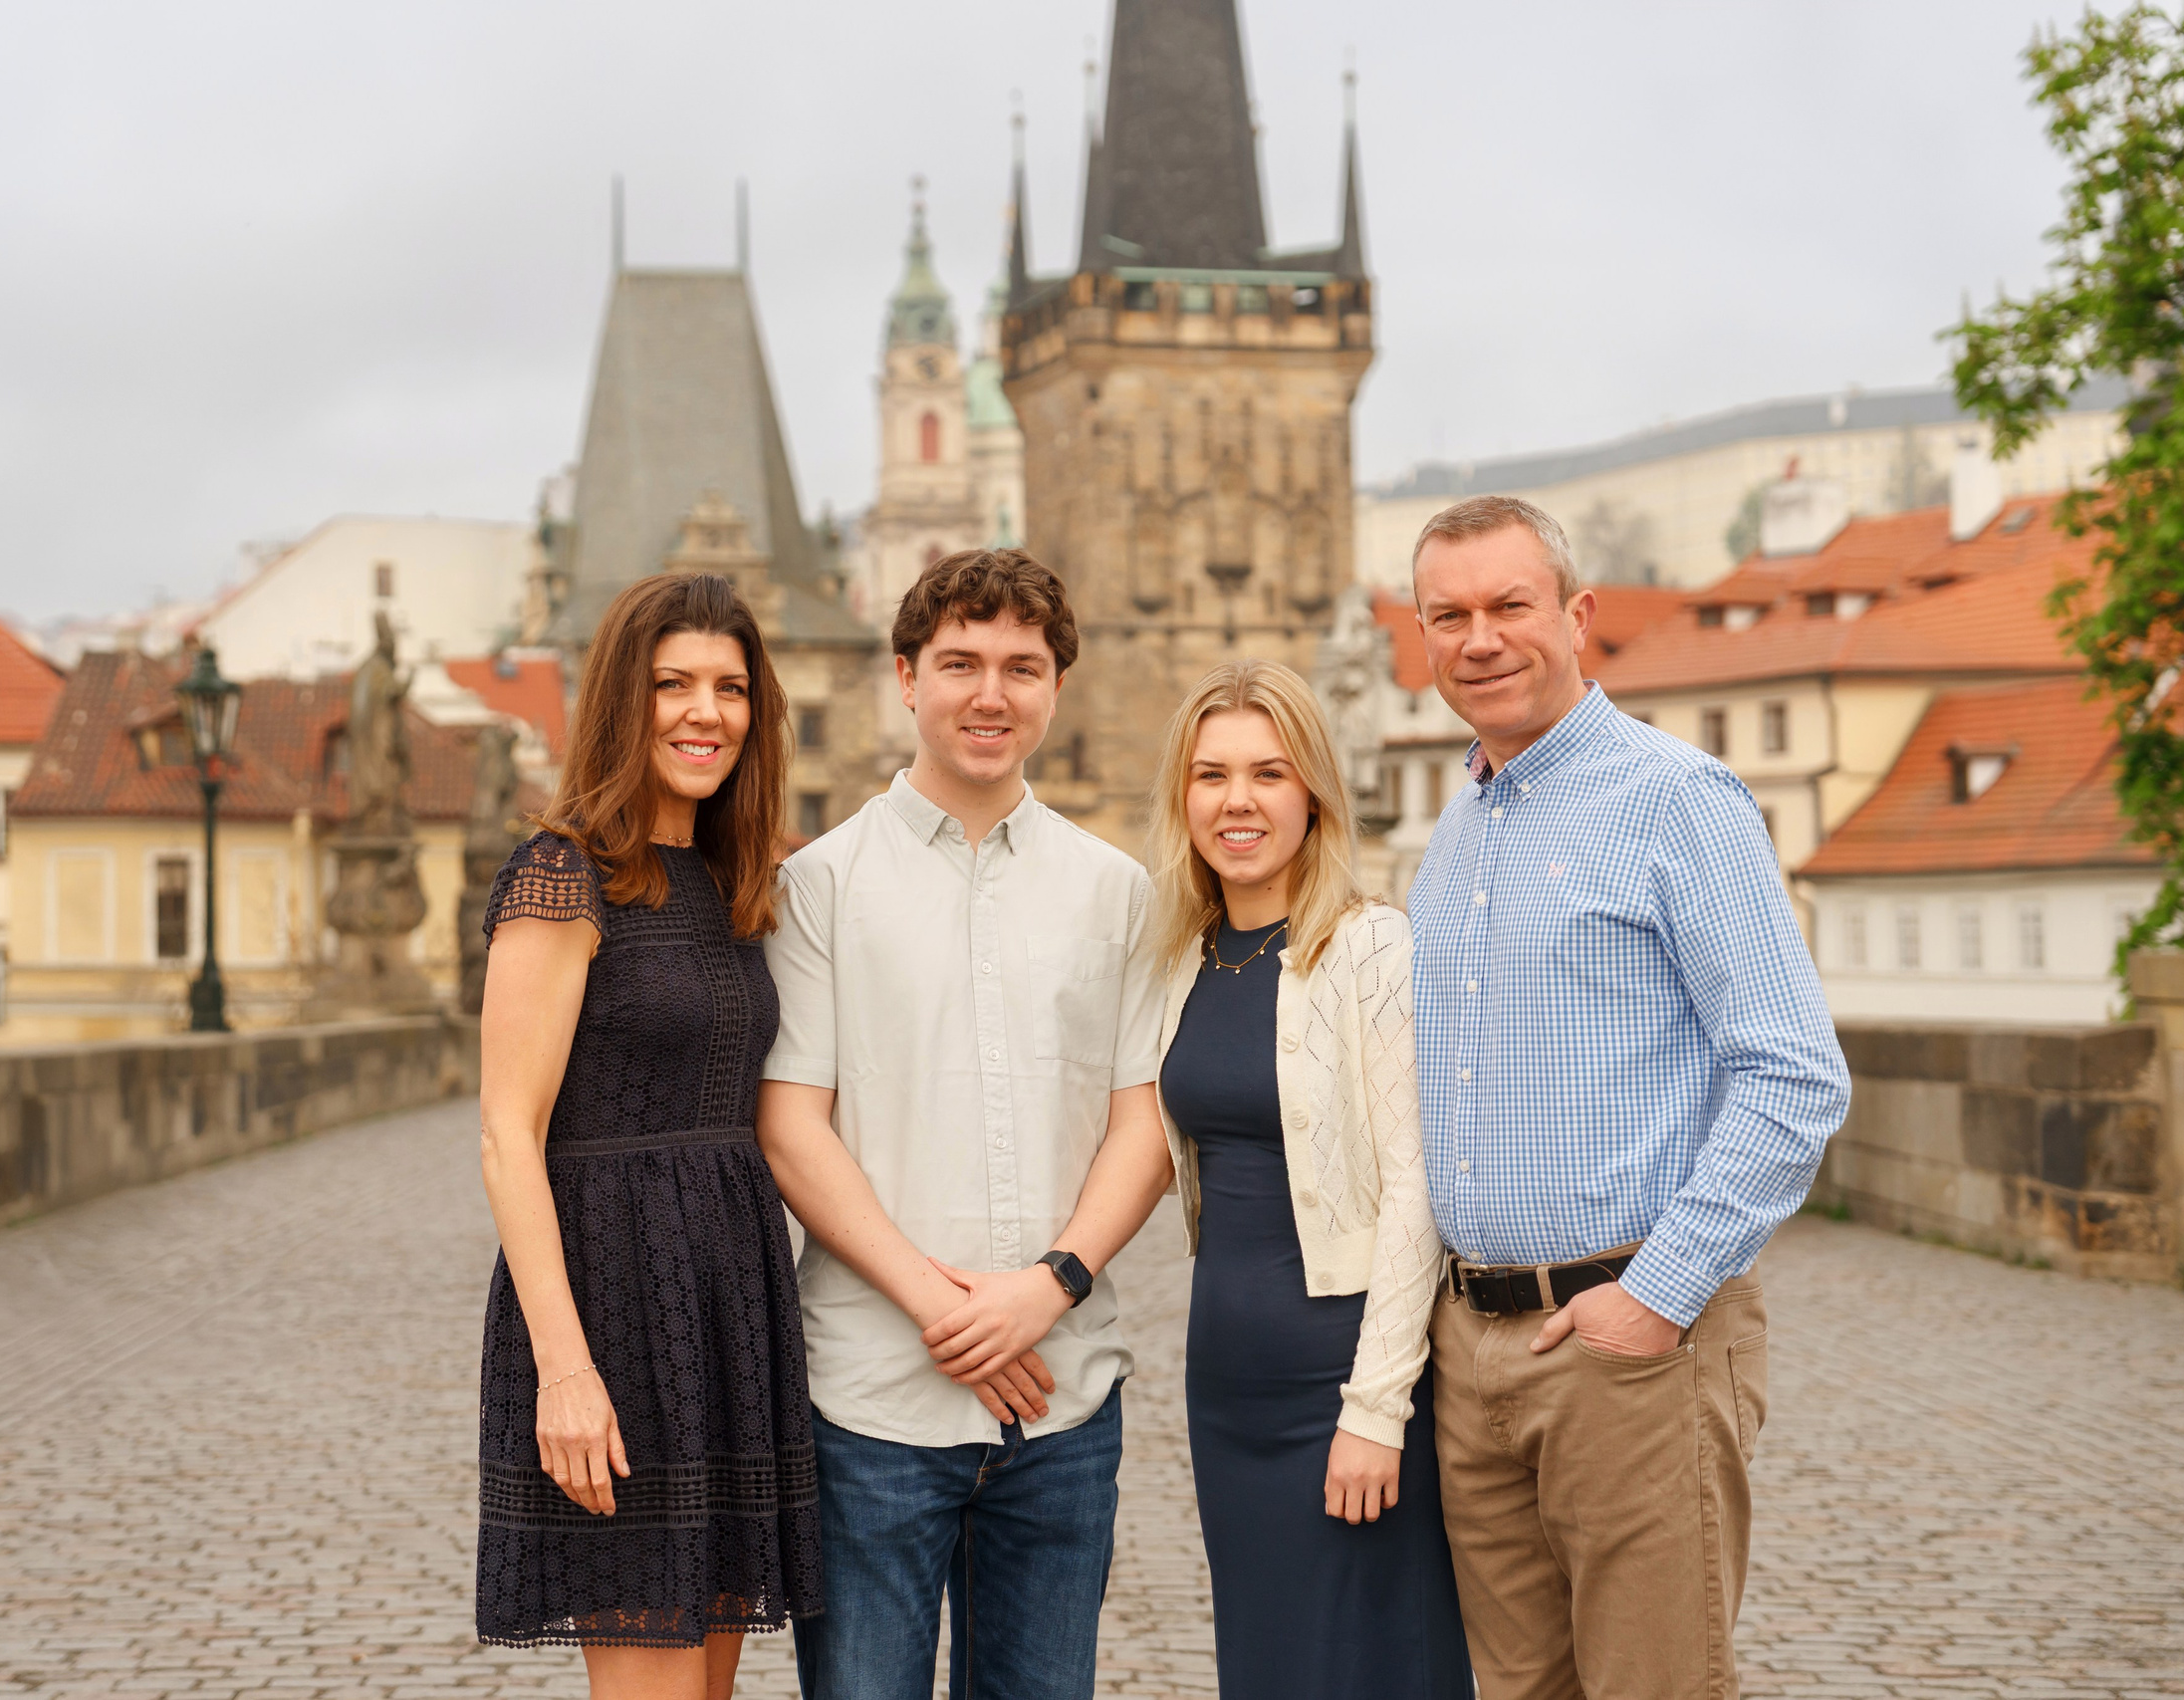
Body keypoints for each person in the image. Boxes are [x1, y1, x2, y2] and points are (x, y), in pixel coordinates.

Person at [1407, 495, 1851, 1700]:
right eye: (1449, 615)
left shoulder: (1675, 799)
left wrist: (1652, 1300)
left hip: (1629, 1346)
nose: (1481, 638)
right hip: (1476, 1347)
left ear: (1577, 615)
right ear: (1422, 638)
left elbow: (1795, 1076)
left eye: (1510, 606)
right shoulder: (1451, 838)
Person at [755, 548, 1176, 1700]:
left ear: (1055, 686)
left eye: (1021, 668)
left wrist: (1046, 1287)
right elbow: (791, 1121)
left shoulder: (1115, 890)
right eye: (960, 664)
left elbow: (1141, 1119)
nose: (990, 694)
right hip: (874, 1398)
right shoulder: (820, 885)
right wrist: (943, 1306)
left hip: (1063, 1396)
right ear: (905, 675)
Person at [473, 573, 821, 1700]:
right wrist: (565, 1373)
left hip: (726, 1312)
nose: (704, 712)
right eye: (673, 684)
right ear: (625, 701)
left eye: (729, 688)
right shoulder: (560, 875)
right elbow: (506, 1135)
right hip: (615, 1313)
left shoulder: (736, 882)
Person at [1145, 659, 1473, 1700]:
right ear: (1182, 797)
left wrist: (1376, 1408)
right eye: (1211, 776)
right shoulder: (1178, 959)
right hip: (1223, 1384)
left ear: (1314, 794)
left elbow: (1417, 1186)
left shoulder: (1367, 946)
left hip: (1336, 1377)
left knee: (1372, 1663)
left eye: (1268, 773)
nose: (1236, 801)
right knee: (1270, 1664)